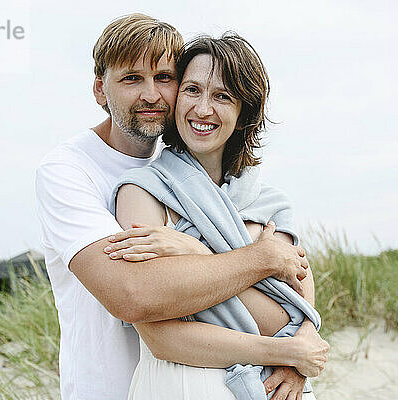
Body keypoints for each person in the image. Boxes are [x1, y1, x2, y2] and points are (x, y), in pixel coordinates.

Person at [35, 14, 327, 400]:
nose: (152, 95)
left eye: (164, 78)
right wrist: (258, 264)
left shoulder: (201, 175)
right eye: (131, 78)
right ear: (99, 89)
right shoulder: (73, 173)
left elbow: (294, 283)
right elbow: (134, 298)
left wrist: (301, 347)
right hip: (116, 387)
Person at [112, 33, 324, 400]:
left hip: (273, 388)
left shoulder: (270, 204)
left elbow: (291, 314)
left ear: (245, 114)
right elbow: (160, 334)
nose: (203, 108)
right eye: (192, 90)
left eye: (222, 96)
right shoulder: (142, 191)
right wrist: (284, 352)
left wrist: (194, 253)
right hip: (180, 385)